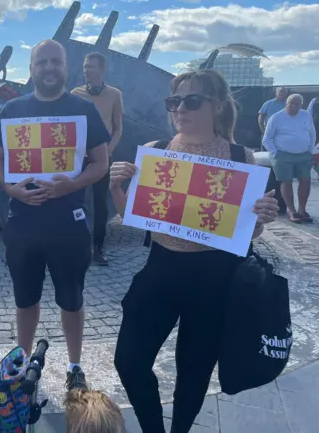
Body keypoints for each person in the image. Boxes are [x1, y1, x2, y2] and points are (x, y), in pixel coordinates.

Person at [109, 69, 280, 433]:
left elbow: (248, 231)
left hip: (215, 277)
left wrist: (263, 215)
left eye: (191, 100)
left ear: (217, 106)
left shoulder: (241, 157)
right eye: (174, 101)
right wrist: (116, 188)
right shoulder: (155, 153)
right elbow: (134, 217)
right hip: (161, 269)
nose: (179, 108)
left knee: (194, 372)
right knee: (129, 360)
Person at [0, 39, 111, 391]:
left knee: (72, 300)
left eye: (55, 62)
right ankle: (21, 362)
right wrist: (10, 190)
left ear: (66, 66)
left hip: (67, 224)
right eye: (42, 62)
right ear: (31, 69)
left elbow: (101, 164)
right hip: (22, 224)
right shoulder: (12, 109)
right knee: (25, 299)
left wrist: (69, 185)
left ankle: (74, 366)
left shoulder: (84, 110)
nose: (49, 68)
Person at [71, 52, 123, 266]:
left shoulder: (114, 94)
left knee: (101, 204)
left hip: (102, 158)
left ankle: (99, 248)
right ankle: (76, 246)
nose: (86, 70)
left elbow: (118, 127)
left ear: (101, 69)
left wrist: (108, 151)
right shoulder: (75, 93)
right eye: (85, 66)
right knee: (75, 202)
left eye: (91, 66)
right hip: (78, 158)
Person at [263, 93, 316, 223]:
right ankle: (291, 210)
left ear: (301, 105)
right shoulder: (276, 117)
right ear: (286, 103)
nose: (293, 106)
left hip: (303, 154)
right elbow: (267, 139)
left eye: (296, 104)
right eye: (291, 103)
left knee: (305, 180)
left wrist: (310, 151)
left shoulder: (306, 115)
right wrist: (275, 153)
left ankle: (302, 210)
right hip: (282, 155)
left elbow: (312, 133)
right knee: (286, 181)